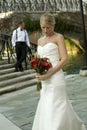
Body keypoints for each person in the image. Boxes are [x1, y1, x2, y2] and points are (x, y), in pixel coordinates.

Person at [32, 13, 86, 130]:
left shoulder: (58, 37)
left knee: (57, 105)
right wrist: (38, 71)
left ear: (53, 25)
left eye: (48, 27)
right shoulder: (40, 40)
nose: (46, 30)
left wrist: (50, 73)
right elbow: (39, 58)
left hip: (56, 78)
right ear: (40, 26)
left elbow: (65, 59)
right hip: (44, 80)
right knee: (46, 106)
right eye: (43, 27)